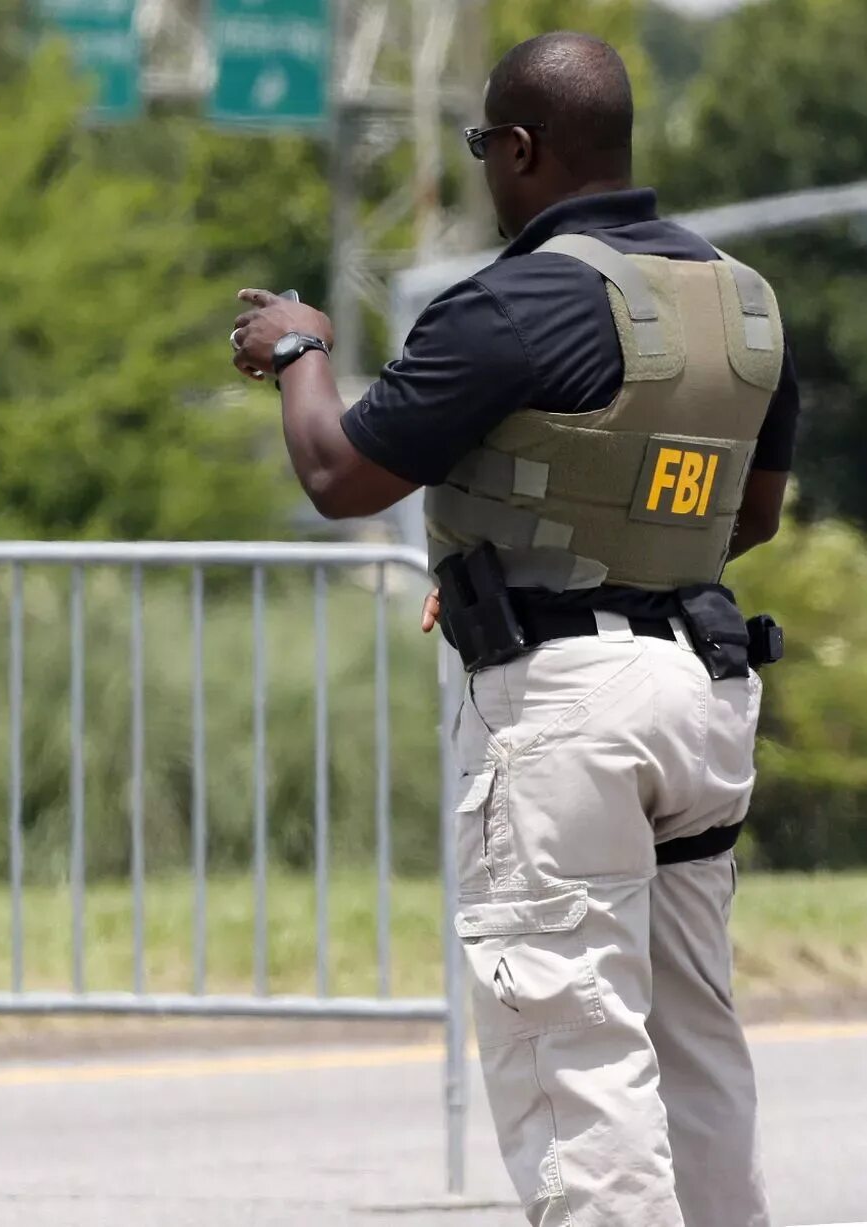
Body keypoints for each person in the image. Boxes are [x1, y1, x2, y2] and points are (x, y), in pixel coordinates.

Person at [228, 32, 791, 1227]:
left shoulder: (516, 303)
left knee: (571, 1048)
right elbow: (745, 517)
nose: (483, 169)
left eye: (484, 147)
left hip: (566, 716)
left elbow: (338, 474)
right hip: (700, 695)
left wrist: (296, 350)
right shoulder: (740, 304)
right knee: (691, 1037)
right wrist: (566, 564)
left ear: (520, 148)